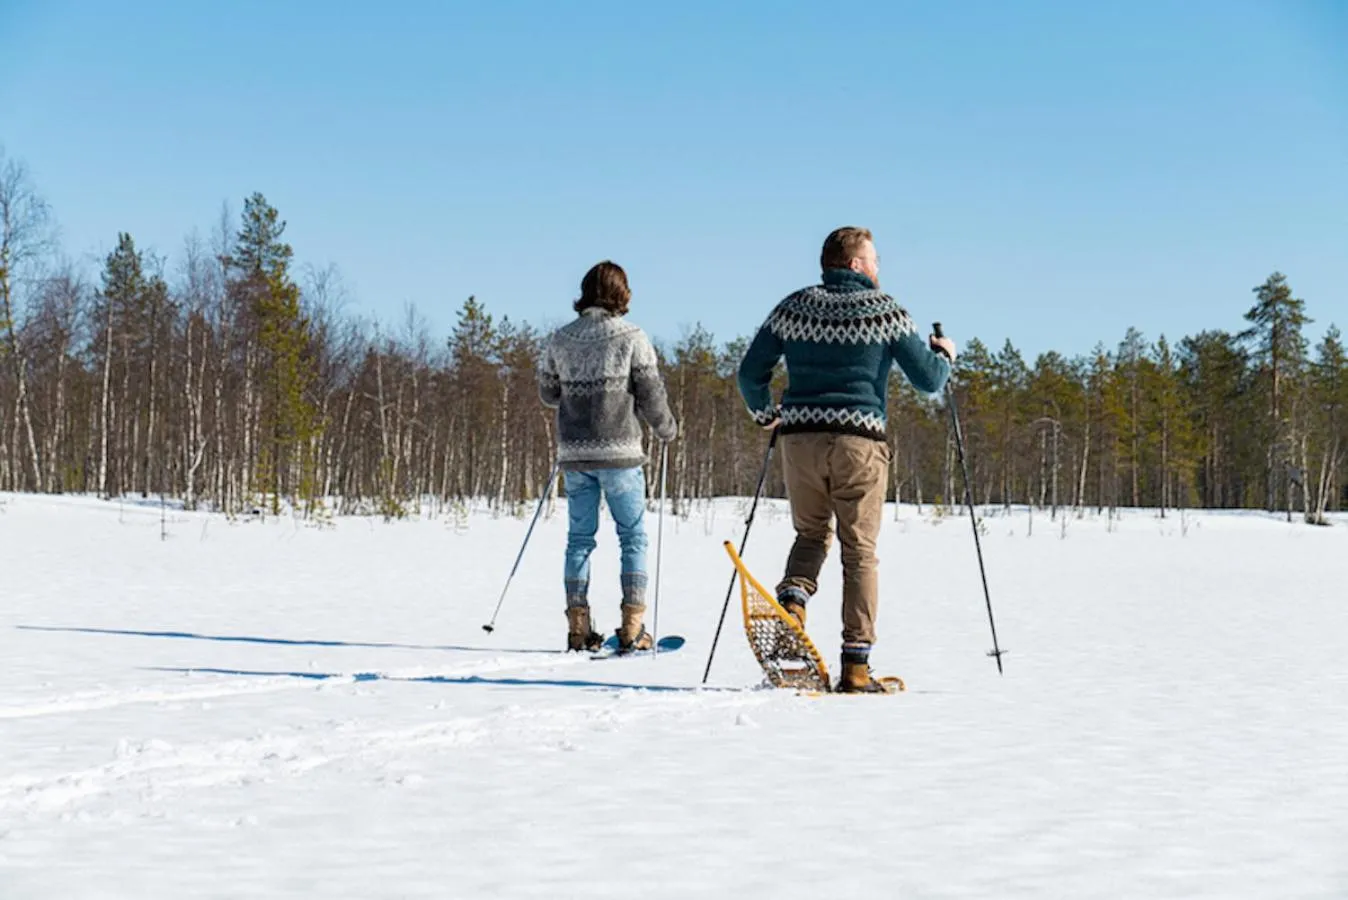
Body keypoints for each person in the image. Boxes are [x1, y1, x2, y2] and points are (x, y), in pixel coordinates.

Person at [736, 227, 956, 692]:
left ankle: (793, 601)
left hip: (800, 441)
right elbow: (929, 380)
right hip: (860, 445)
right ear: (856, 264)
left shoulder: (792, 307)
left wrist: (766, 415)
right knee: (859, 552)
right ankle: (856, 667)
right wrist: (946, 357)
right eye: (874, 259)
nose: (878, 267)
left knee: (811, 534)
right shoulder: (886, 311)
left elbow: (750, 372)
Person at [538, 261, 679, 653]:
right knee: (632, 537)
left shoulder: (560, 339)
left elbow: (548, 394)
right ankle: (632, 627)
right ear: (621, 293)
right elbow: (651, 394)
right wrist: (667, 428)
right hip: (621, 455)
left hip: (576, 456)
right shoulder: (632, 337)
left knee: (579, 540)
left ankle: (578, 628)